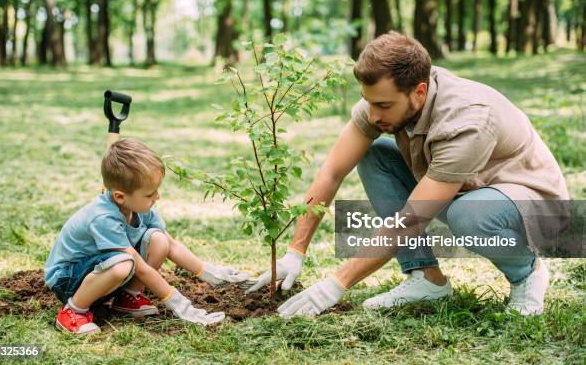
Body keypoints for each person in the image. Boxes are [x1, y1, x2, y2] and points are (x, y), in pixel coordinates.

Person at [247, 32, 569, 318]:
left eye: (384, 106)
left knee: (468, 215)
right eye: (368, 102)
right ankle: (426, 279)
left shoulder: (466, 121)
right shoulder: (382, 102)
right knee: (375, 158)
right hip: (464, 186)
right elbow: (332, 171)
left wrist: (336, 283)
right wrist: (295, 251)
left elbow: (411, 219)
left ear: (419, 91)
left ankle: (527, 273)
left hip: (526, 197)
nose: (374, 115)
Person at [45, 139, 250, 334]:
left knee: (159, 240)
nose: (157, 197)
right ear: (119, 196)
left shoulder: (138, 207)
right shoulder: (103, 218)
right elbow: (140, 269)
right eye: (150, 194)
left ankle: (127, 298)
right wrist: (179, 304)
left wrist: (209, 273)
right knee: (123, 263)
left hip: (100, 273)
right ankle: (73, 311)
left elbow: (171, 245)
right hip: (68, 280)